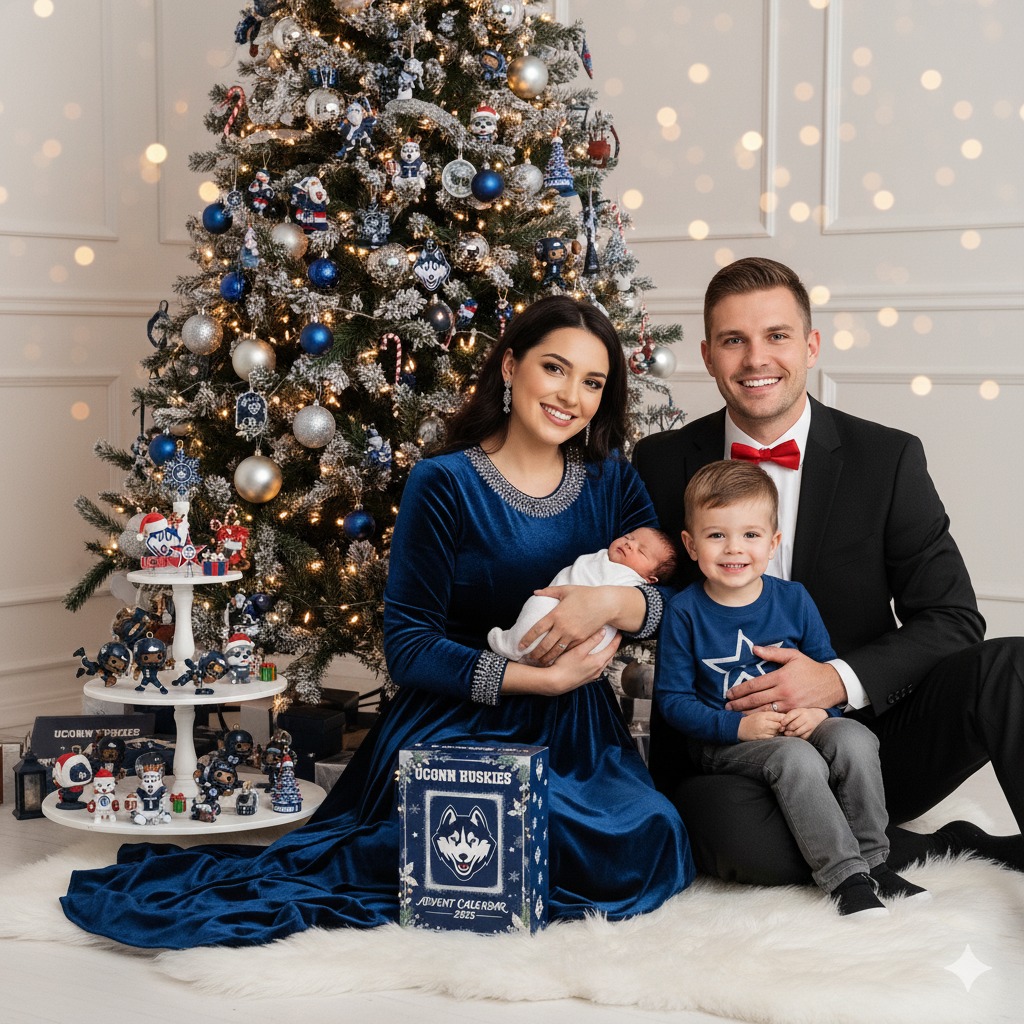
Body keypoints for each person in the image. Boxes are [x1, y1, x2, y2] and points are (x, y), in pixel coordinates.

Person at [61, 294, 694, 949]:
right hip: (457, 718)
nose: (572, 396)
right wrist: (541, 681)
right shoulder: (444, 482)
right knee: (467, 837)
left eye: (593, 382)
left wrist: (612, 604)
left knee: (650, 836)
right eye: (555, 369)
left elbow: (673, 610)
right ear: (511, 367)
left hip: (580, 734)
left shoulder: (612, 483)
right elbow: (410, 647)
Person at [634, 255, 1024, 885]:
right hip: (731, 752)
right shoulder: (660, 461)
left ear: (810, 345)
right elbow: (640, 591)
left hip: (863, 745)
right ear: (708, 356)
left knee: (1013, 667)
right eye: (734, 340)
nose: (756, 359)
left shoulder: (888, 458)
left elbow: (953, 619)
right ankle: (920, 848)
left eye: (777, 336)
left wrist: (836, 681)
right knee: (741, 844)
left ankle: (868, 832)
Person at [657, 459, 929, 915]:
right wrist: (736, 728)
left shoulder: (794, 599)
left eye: (750, 535)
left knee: (856, 738)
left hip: (801, 722)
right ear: (690, 544)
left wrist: (824, 714)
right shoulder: (685, 612)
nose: (733, 549)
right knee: (795, 756)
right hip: (725, 741)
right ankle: (844, 878)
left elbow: (825, 671)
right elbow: (672, 701)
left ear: (773, 542)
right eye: (716, 535)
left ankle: (874, 861)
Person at [488, 526, 678, 661]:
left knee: (541, 606)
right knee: (539, 604)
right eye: (629, 537)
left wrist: (611, 603)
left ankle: (509, 645)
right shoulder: (602, 556)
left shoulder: (631, 579)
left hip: (587, 636)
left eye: (641, 551)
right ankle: (517, 646)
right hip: (557, 605)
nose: (630, 544)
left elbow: (668, 604)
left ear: (650, 580)